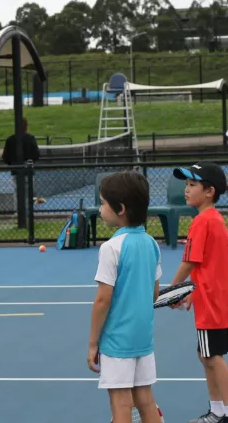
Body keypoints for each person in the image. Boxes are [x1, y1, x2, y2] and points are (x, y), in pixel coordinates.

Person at [170, 162, 228, 423]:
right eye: (186, 184)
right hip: (216, 297)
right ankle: (218, 411)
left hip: (212, 302)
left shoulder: (201, 222)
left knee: (212, 357)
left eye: (192, 185)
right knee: (206, 354)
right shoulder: (215, 219)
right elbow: (210, 266)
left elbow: (189, 262)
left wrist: (173, 290)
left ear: (209, 191)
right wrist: (192, 293)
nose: (186, 189)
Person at [88, 171, 163, 423]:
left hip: (117, 340)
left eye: (102, 203)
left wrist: (93, 343)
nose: (100, 209)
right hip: (143, 338)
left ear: (120, 209)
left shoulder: (111, 248)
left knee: (120, 404)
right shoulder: (151, 243)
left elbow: (103, 299)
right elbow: (154, 293)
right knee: (146, 400)